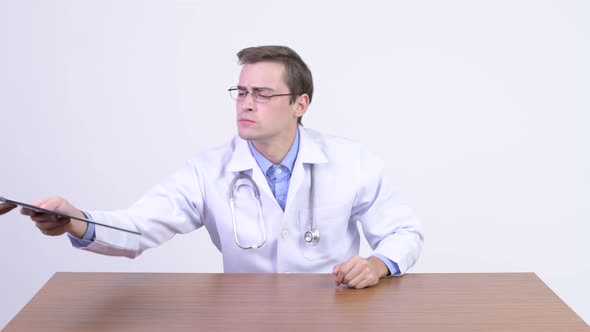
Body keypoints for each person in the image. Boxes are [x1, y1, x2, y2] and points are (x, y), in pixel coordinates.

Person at [1, 45, 423, 289]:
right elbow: (138, 227)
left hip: (335, 312)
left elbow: (404, 232)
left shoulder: (351, 160)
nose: (246, 103)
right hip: (244, 318)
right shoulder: (208, 170)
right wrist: (76, 220)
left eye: (262, 92)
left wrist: (377, 264)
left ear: (300, 104)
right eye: (240, 91)